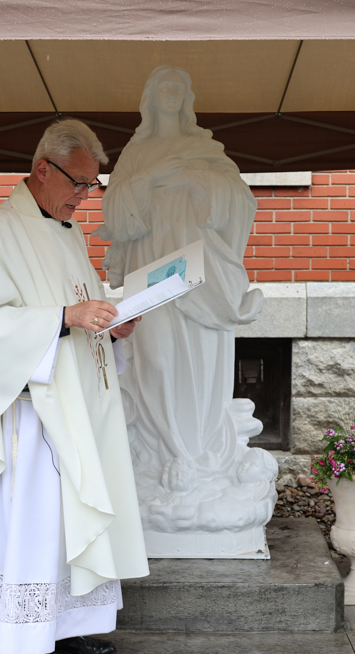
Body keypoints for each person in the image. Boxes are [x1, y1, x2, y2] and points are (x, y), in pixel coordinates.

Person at [0, 119, 149, 654]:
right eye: (80, 183)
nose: (86, 195)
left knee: (71, 516)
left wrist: (110, 320)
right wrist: (66, 318)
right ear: (42, 170)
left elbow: (82, 306)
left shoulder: (68, 231)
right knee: (36, 521)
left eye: (91, 185)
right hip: (32, 413)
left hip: (80, 404)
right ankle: (21, 645)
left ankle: (69, 622)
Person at [95, 66, 276, 546]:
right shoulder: (136, 154)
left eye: (178, 87)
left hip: (197, 274)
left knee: (196, 359)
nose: (171, 95)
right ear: (150, 100)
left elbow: (240, 203)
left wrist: (201, 184)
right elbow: (114, 214)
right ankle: (159, 454)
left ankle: (194, 454)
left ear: (187, 97)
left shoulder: (207, 152)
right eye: (162, 88)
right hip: (150, 271)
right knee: (152, 359)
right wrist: (150, 178)